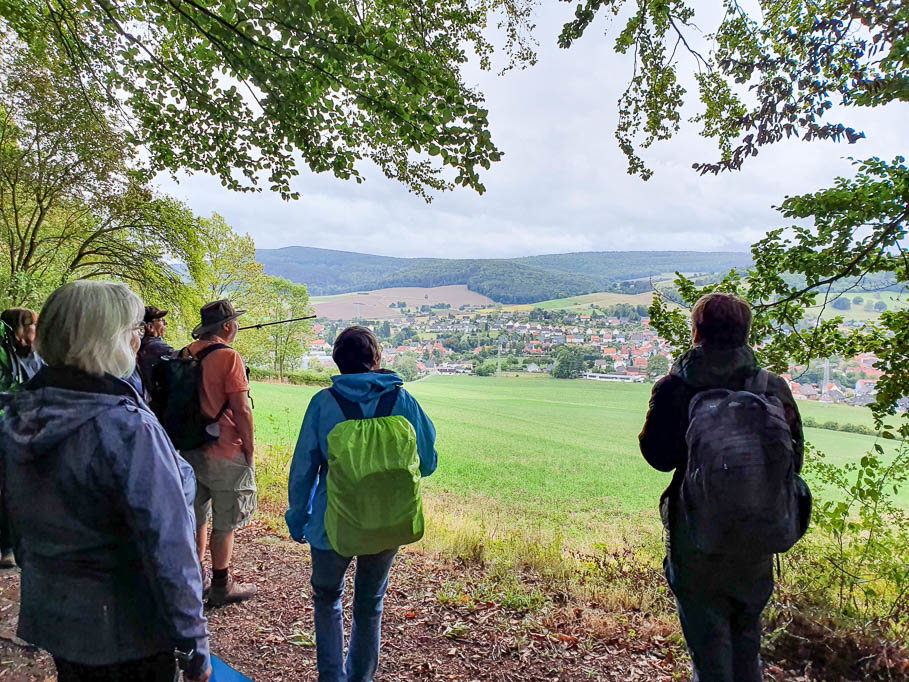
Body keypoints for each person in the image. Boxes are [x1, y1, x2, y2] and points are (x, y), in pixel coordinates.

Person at [0, 281, 211, 682]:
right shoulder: (126, 427)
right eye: (134, 328)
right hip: (128, 632)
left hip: (57, 618)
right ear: (108, 339)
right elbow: (170, 548)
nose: (139, 338)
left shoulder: (20, 412)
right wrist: (194, 643)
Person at [639, 292, 804, 682]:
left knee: (709, 658)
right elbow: (793, 462)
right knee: (747, 647)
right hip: (759, 537)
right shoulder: (772, 388)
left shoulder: (676, 387)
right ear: (746, 334)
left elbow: (658, 457)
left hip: (696, 537)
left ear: (697, 333)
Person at [286, 325, 437, 682]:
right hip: (388, 522)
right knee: (370, 604)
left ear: (337, 363)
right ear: (377, 358)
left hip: (330, 526)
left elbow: (304, 468)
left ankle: (331, 678)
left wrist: (298, 517)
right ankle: (361, 678)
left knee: (327, 598)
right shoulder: (404, 401)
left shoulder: (323, 403)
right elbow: (428, 463)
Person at [181, 300, 258, 606]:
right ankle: (222, 585)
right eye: (235, 322)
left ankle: (194, 579)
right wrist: (249, 450)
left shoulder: (186, 352)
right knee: (224, 524)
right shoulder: (229, 357)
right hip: (224, 451)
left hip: (188, 449)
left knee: (197, 517)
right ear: (227, 327)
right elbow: (241, 409)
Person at [0, 308, 44, 568]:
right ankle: (6, 546)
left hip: (30, 430)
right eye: (32, 324)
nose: (37, 330)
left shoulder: (37, 357)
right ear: (18, 329)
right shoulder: (5, 358)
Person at [138, 305, 176, 401]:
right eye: (161, 320)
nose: (165, 323)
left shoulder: (140, 345)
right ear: (150, 326)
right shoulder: (155, 346)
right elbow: (182, 357)